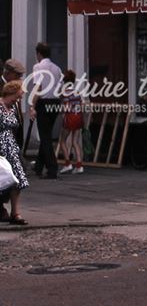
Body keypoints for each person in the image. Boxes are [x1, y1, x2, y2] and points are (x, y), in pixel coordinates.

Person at [29, 43, 62, 180]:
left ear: (39, 54)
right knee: (46, 134)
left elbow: (38, 86)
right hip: (55, 102)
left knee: (45, 136)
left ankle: (52, 168)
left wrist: (32, 104)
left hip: (43, 102)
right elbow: (60, 88)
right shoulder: (57, 68)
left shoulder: (38, 67)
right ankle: (38, 166)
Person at [0, 81, 29, 224]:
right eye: (16, 97)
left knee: (17, 178)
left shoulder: (13, 108)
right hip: (1, 148)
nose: (17, 100)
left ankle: (15, 213)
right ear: (9, 92)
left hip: (11, 147)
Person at [59, 70, 84, 175]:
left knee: (62, 140)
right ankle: (79, 166)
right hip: (78, 117)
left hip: (70, 118)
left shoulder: (64, 92)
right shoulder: (77, 92)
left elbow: (66, 107)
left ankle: (67, 164)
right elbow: (81, 104)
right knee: (75, 142)